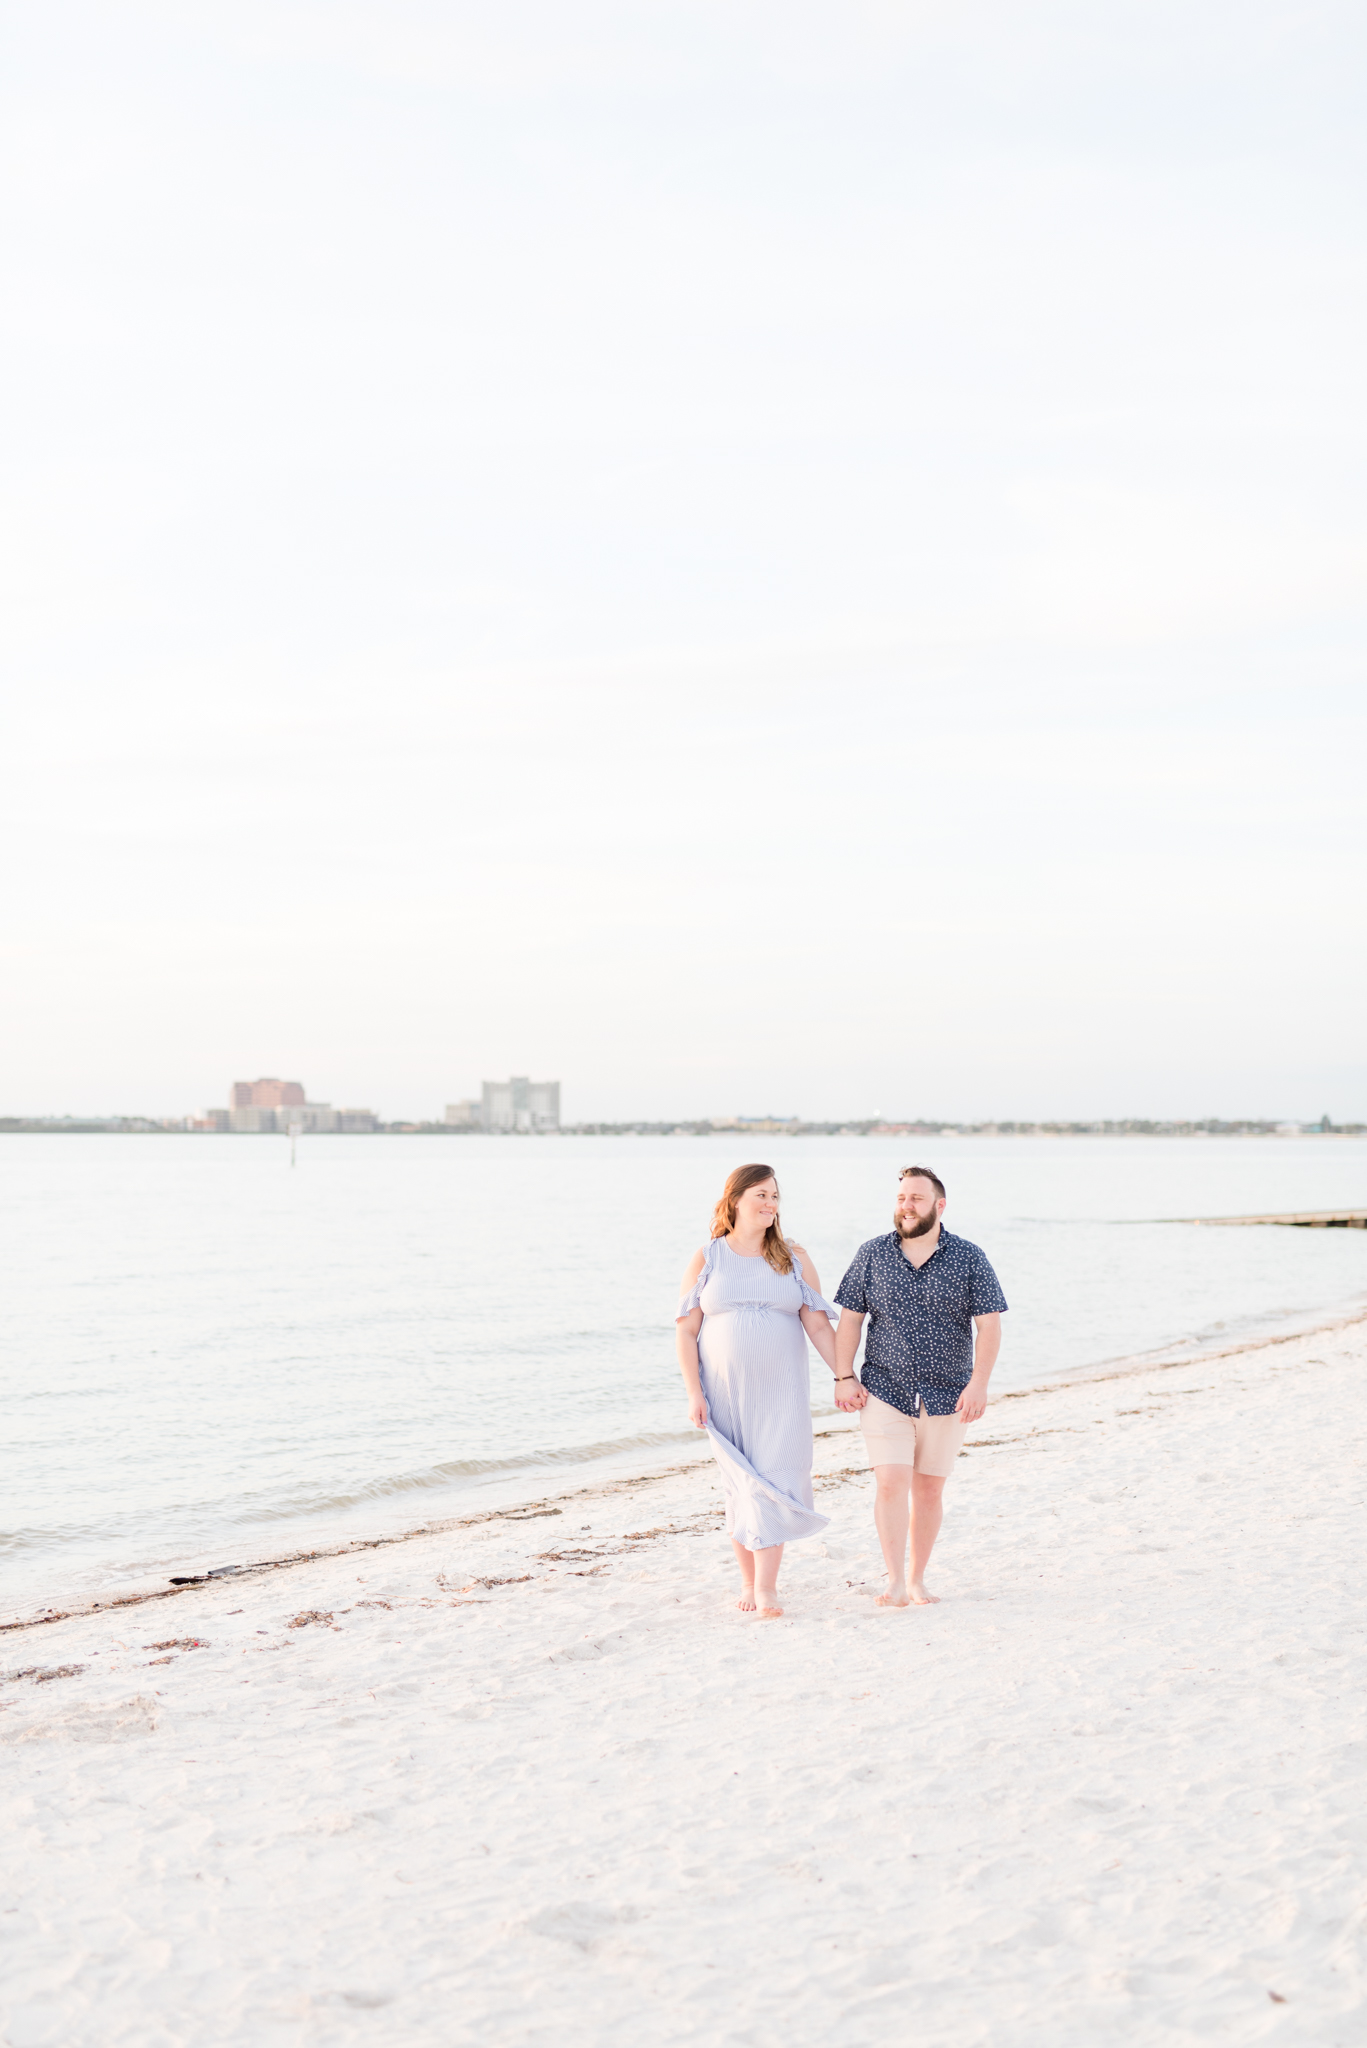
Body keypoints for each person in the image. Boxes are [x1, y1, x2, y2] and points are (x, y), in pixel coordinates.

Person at [833, 1166, 1007, 1608]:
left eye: (916, 1198)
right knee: (891, 1482)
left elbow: (989, 1326)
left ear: (939, 1205)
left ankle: (917, 1579)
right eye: (901, 1198)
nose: (906, 1206)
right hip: (884, 1388)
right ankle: (893, 1581)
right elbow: (850, 1320)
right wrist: (843, 1375)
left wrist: (979, 1384)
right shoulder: (872, 1253)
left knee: (928, 1489)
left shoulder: (969, 1257)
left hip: (948, 1392)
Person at [676, 1163, 844, 1617]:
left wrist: (844, 1375)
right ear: (735, 1201)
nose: (770, 1204)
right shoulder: (708, 1257)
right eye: (761, 1196)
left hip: (781, 1393)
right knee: (741, 1485)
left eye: (775, 1197)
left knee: (776, 1479)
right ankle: (748, 1581)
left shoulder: (792, 1257)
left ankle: (767, 1587)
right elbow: (686, 1330)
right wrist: (694, 1393)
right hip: (724, 1394)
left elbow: (817, 1323)